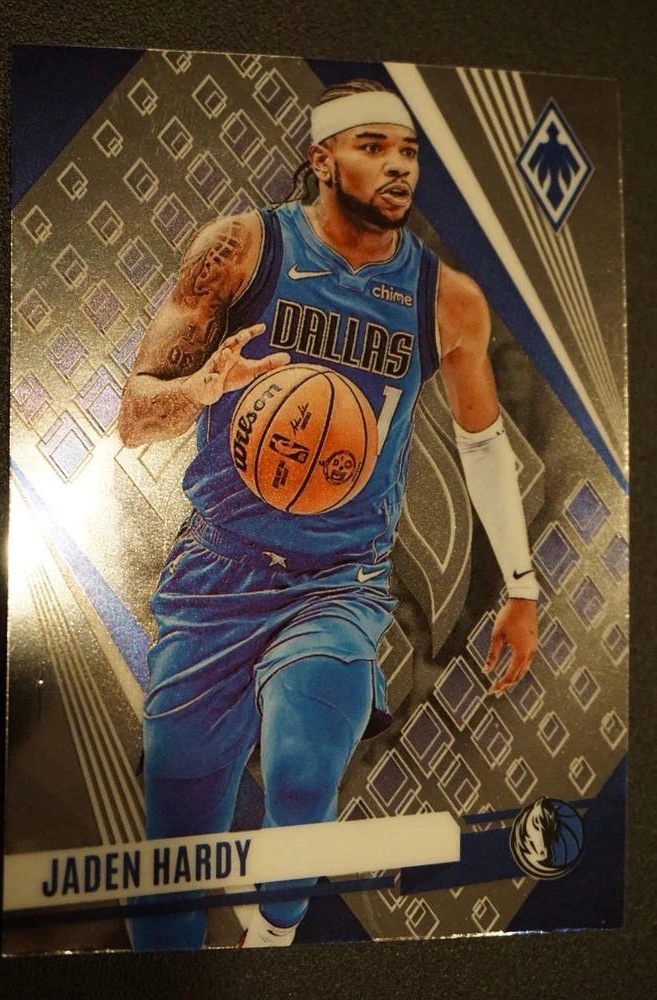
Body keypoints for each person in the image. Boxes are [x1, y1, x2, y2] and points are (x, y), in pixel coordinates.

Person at [118, 79, 539, 950]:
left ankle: (272, 941)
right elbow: (133, 416)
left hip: (337, 583)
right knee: (168, 874)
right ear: (320, 158)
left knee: (306, 770)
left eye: (407, 151)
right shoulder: (241, 249)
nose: (397, 167)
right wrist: (204, 387)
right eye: (372, 147)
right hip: (218, 569)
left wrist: (523, 585)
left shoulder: (446, 299)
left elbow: (482, 442)